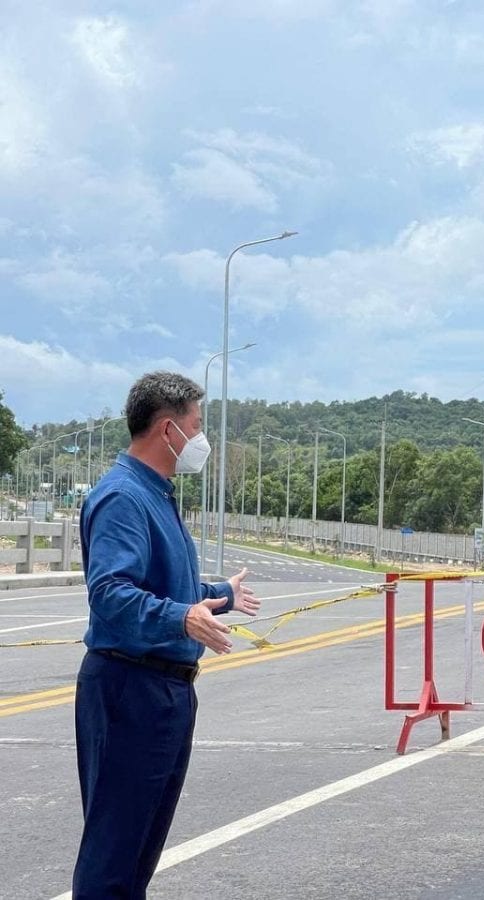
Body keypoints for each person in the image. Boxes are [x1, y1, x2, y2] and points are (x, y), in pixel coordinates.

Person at [72, 372, 260, 898]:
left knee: (138, 850)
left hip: (165, 691)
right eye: (198, 425)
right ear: (169, 428)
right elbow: (110, 592)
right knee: (114, 852)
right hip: (130, 688)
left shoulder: (156, 493)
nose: (202, 438)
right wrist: (180, 618)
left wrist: (217, 592)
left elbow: (164, 584)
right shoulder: (123, 498)